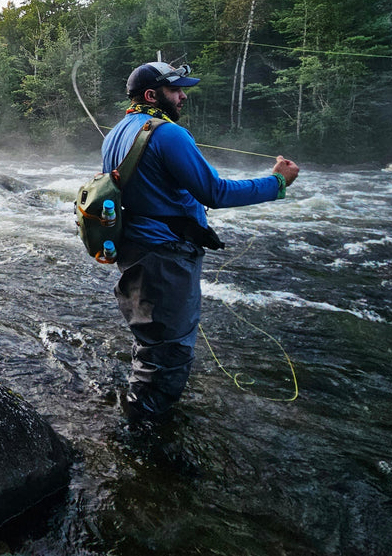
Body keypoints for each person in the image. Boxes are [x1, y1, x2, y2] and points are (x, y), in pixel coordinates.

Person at [102, 60, 299, 427]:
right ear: (151, 95)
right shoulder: (168, 133)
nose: (183, 96)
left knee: (151, 339)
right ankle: (144, 437)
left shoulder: (114, 134)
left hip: (135, 252)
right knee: (171, 348)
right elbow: (215, 192)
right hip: (166, 258)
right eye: (176, 90)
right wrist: (277, 183)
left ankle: (138, 414)